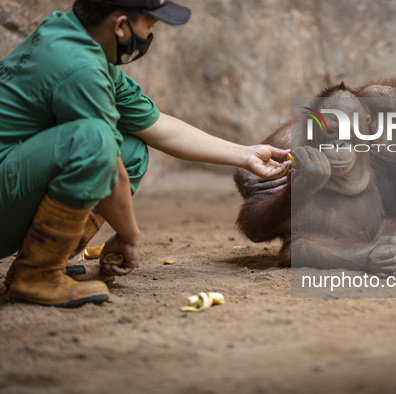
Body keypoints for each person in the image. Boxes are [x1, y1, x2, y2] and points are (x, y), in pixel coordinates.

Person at [0, 0, 291, 307]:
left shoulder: (76, 40)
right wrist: (129, 236)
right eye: (149, 26)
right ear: (121, 25)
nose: (151, 35)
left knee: (132, 149)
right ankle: (37, 273)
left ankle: (48, 256)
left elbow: (158, 126)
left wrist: (246, 154)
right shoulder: (81, 68)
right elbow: (102, 155)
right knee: (96, 141)